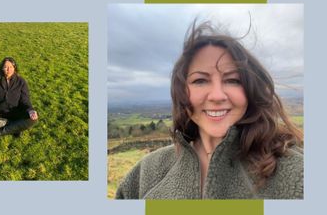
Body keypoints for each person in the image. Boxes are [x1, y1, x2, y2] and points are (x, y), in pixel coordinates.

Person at [115, 21, 303, 199]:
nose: (217, 96)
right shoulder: (146, 173)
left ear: (250, 90)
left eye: (232, 80)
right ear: (182, 92)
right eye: (200, 80)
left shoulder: (298, 172)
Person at [0, 57, 38, 142]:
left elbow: (25, 100)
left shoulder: (21, 82)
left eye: (11, 67)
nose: (8, 69)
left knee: (33, 120)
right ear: (2, 68)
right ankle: (15, 127)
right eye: (6, 67)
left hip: (16, 112)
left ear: (14, 68)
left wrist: (30, 110)